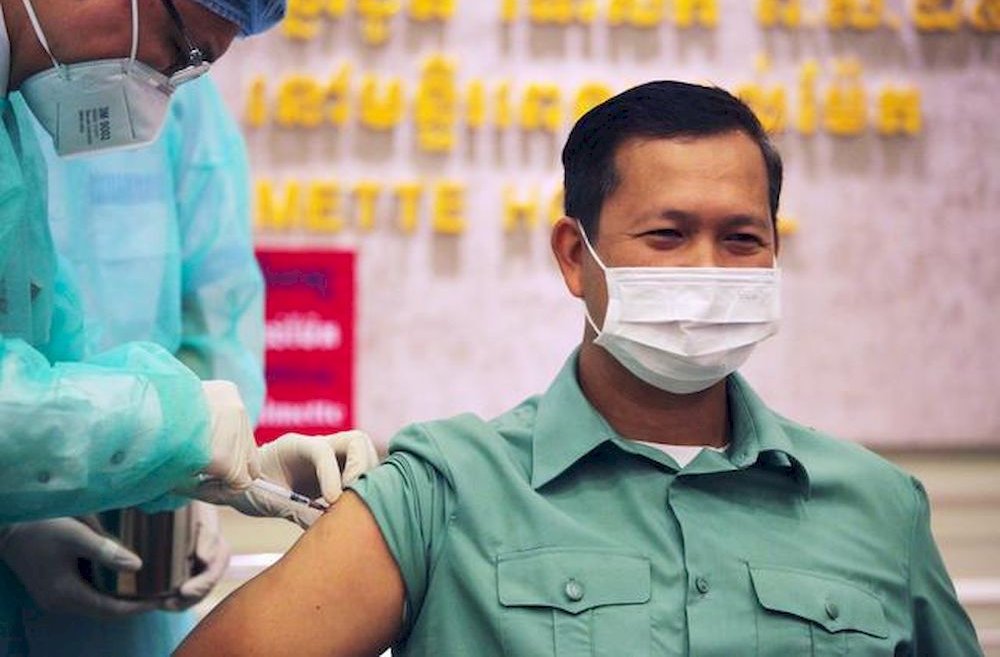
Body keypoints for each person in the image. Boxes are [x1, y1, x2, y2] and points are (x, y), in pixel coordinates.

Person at [178, 81, 983, 656]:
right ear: (576, 255)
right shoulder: (445, 491)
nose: (709, 268)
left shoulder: (879, 509)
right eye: (666, 236)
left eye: (742, 238)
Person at [0, 74, 260, 656]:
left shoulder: (172, 86)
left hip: (143, 539)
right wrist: (10, 522)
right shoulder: (17, 92)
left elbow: (219, 302)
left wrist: (194, 471)